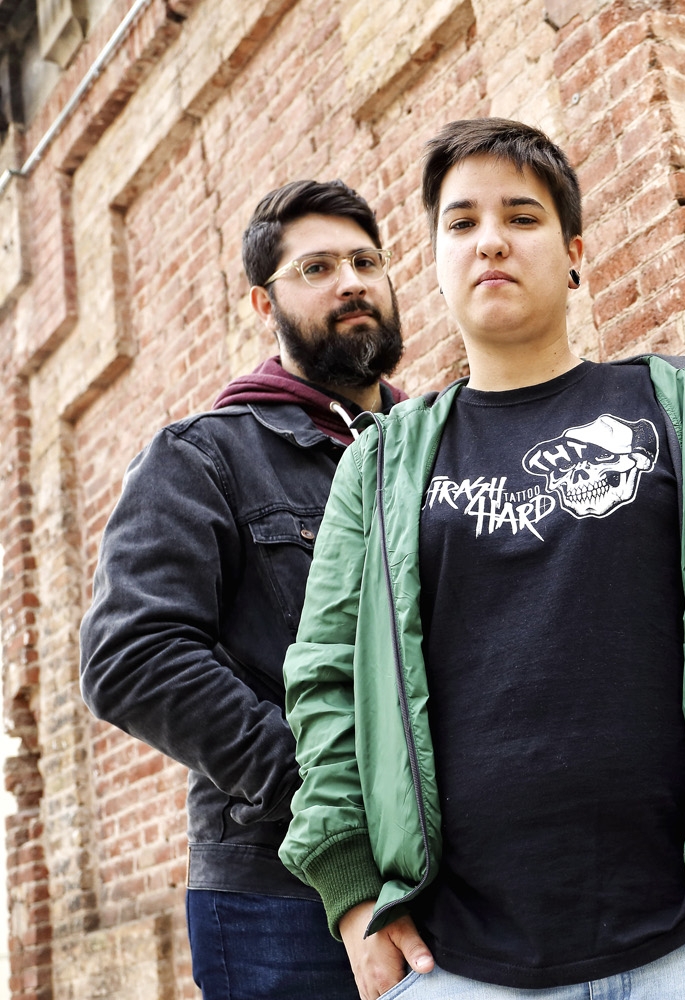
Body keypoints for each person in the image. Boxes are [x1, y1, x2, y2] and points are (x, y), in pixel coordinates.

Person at [277, 118, 685, 1000]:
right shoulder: (380, 464)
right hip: (459, 959)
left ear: (574, 253)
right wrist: (351, 886)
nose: (491, 241)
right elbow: (326, 678)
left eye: (522, 217)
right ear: (435, 262)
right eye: (462, 222)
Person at [79, 179, 408, 999]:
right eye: (316, 268)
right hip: (277, 896)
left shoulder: (437, 449)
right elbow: (131, 658)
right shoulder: (202, 457)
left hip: (450, 868)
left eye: (365, 262)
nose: (351, 282)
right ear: (265, 303)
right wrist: (324, 791)